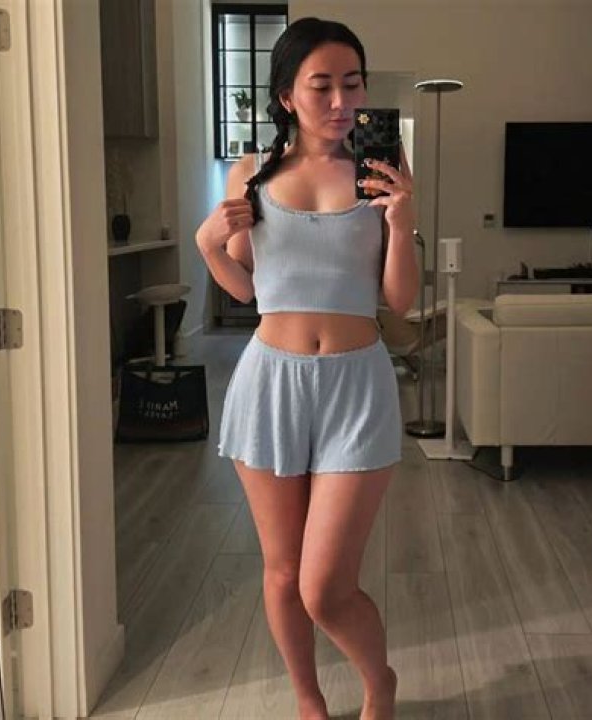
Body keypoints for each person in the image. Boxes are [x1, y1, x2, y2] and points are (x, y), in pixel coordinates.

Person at [196, 16, 417, 720]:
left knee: (325, 586)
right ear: (287, 95)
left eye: (352, 83)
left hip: (358, 386)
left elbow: (400, 301)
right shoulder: (252, 174)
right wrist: (209, 246)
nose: (341, 101)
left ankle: (379, 681)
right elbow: (247, 291)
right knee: (284, 571)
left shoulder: (380, 173)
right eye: (321, 86)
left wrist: (401, 224)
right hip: (271, 385)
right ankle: (309, 701)